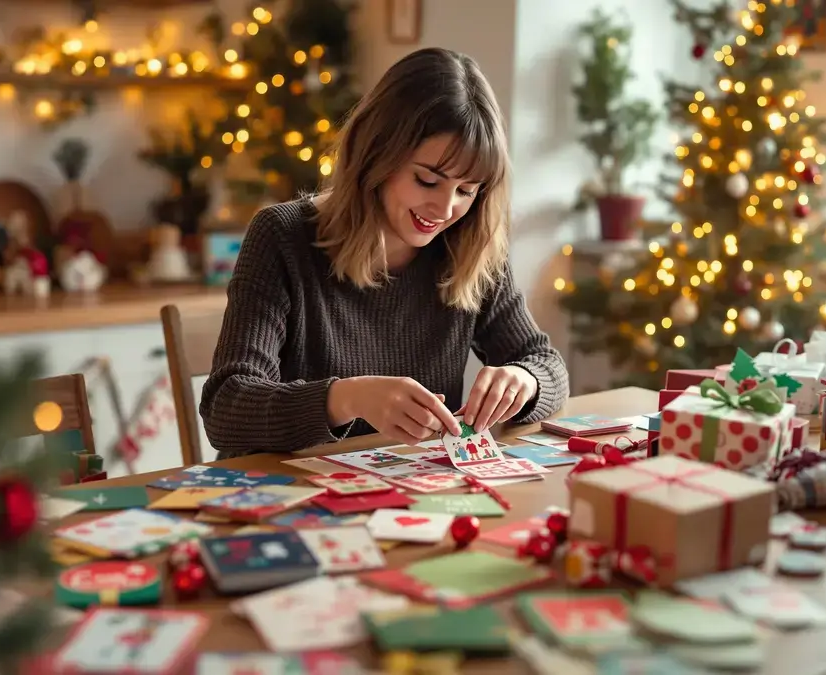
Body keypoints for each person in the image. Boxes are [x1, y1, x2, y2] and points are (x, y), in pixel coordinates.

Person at [199, 47, 569, 459]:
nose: (445, 210)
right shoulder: (282, 236)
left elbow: (546, 364)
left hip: (413, 503)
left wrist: (524, 379)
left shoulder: (469, 244)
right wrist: (347, 399)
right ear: (377, 154)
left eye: (466, 190)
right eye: (427, 181)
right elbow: (226, 409)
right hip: (289, 499)